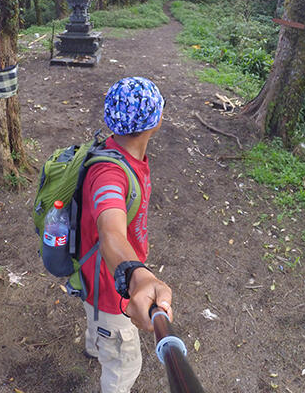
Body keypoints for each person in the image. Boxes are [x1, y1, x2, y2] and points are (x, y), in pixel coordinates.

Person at [80, 76, 173, 393]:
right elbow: (111, 233)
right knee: (125, 364)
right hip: (113, 288)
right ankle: (103, 344)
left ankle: (96, 343)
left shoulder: (112, 150)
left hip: (93, 274)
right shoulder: (110, 174)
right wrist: (138, 276)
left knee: (100, 324)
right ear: (156, 121)